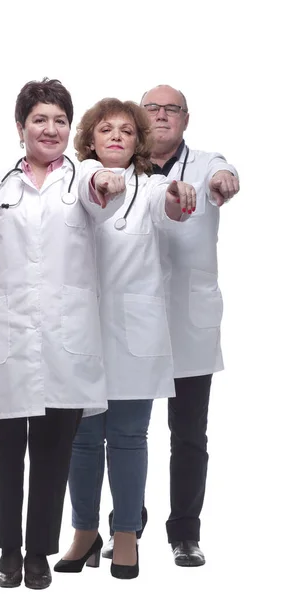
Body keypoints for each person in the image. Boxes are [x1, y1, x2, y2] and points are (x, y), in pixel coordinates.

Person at [0, 78, 125, 590]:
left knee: (51, 452)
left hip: (65, 342)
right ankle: (7, 551)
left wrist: (110, 181)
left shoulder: (81, 180)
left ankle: (39, 553)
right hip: (2, 337)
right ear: (21, 128)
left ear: (70, 129)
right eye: (40, 119)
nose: (51, 129)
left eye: (61, 121)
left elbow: (105, 192)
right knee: (2, 452)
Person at [53, 98, 196, 579]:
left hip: (136, 335)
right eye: (105, 129)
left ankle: (127, 534)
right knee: (83, 439)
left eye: (126, 131)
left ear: (139, 142)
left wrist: (179, 192)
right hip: (81, 333)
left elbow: (172, 207)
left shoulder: (151, 187)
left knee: (130, 438)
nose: (116, 135)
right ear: (89, 138)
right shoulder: (71, 183)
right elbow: (89, 190)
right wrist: (97, 181)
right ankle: (83, 531)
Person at [102, 85, 240, 567]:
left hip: (186, 319)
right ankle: (126, 525)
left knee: (188, 434)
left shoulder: (203, 165)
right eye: (152, 109)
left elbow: (225, 172)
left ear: (185, 119)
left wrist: (225, 179)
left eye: (172, 109)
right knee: (123, 431)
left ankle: (185, 532)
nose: (161, 116)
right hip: (129, 321)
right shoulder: (117, 164)